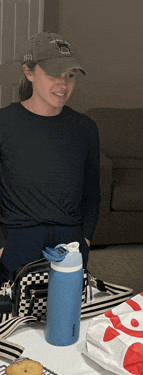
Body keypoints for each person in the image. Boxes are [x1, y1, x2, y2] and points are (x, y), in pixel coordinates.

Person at [0, 32, 101, 285]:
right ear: (29, 72)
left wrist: (85, 239)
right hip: (17, 237)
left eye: (70, 75)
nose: (63, 84)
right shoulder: (4, 123)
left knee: (66, 315)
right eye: (54, 74)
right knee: (15, 317)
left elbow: (92, 191)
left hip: (70, 240)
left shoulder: (84, 128)